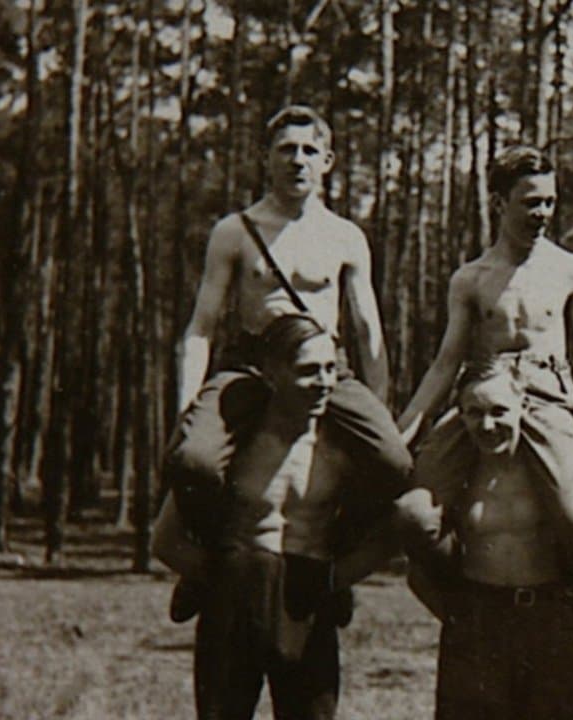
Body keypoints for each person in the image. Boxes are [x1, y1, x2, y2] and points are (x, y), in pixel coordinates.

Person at [164, 105, 411, 619]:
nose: (298, 160)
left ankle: (332, 561)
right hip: (254, 365)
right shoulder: (235, 231)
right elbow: (201, 326)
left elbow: (368, 332)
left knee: (393, 462)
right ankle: (206, 562)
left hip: (325, 365)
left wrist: (377, 409)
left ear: (328, 161)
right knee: (193, 461)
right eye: (286, 150)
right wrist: (187, 406)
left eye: (309, 150)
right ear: (265, 158)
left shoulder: (345, 236)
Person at [396, 144, 573, 578]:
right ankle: (456, 597)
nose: (543, 213)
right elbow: (445, 364)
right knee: (414, 514)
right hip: (484, 398)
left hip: (546, 400)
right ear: (499, 203)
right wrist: (403, 432)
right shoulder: (470, 278)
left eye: (550, 202)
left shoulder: (571, 270)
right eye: (531, 203)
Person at [152, 314, 404, 720]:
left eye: (330, 369)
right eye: (308, 370)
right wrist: (220, 580)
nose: (323, 382)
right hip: (235, 595)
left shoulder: (344, 449)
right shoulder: (234, 444)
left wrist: (334, 579)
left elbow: (389, 533)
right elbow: (165, 540)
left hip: (308, 599)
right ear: (271, 372)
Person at [395, 357, 573, 719]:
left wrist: (568, 620)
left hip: (547, 619)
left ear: (522, 407)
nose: (488, 425)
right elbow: (420, 572)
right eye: (474, 413)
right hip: (477, 621)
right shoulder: (457, 476)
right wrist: (462, 618)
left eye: (499, 411)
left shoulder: (551, 477)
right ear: (460, 416)